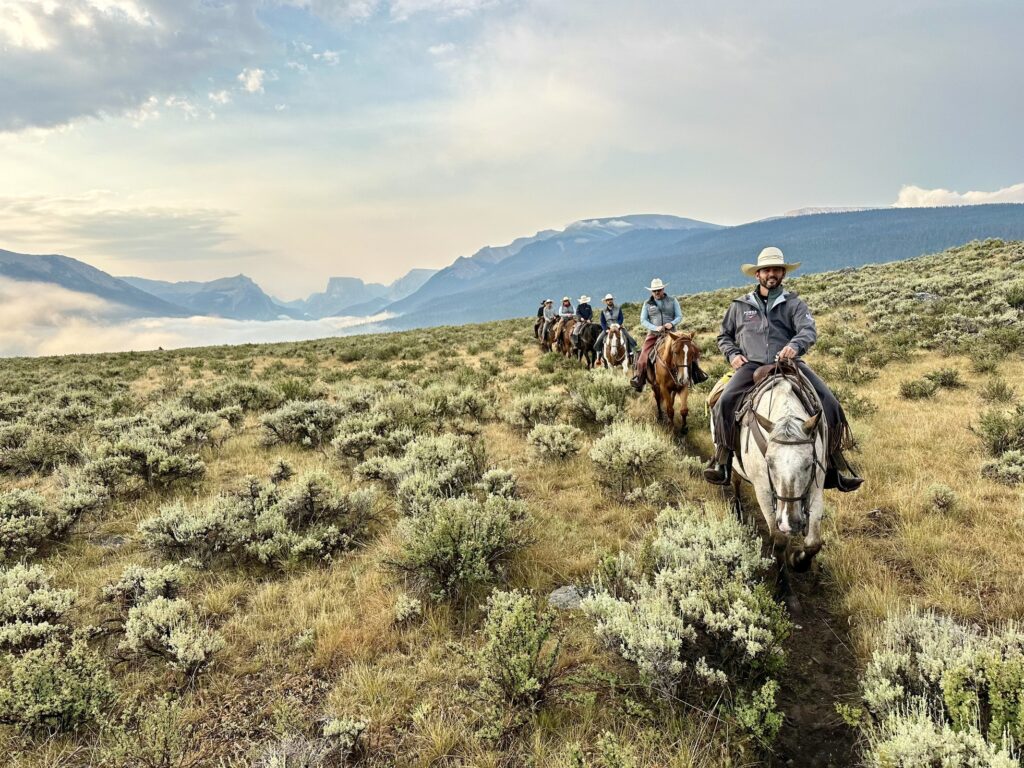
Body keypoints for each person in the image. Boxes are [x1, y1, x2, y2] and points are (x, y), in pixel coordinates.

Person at [703, 246, 863, 491]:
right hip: (752, 364)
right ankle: (723, 459)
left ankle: (834, 462)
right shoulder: (739, 306)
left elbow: (808, 331)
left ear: (783, 274)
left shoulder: (794, 303)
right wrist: (733, 355)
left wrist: (794, 346)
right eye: (766, 270)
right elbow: (724, 336)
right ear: (757, 274)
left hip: (788, 364)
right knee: (725, 402)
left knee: (829, 402)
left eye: (776, 269)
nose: (772, 274)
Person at [630, 278, 682, 392]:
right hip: (654, 334)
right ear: (651, 292)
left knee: (687, 349)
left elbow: (679, 316)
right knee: (643, 356)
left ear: (663, 289)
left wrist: (671, 323)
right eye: (654, 291)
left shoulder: (673, 300)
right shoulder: (647, 304)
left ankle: (695, 375)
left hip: (672, 333)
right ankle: (639, 379)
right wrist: (655, 328)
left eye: (659, 290)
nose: (657, 292)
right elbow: (643, 320)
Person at [594, 293, 636, 359]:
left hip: (618, 327)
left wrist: (618, 325)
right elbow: (602, 322)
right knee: (599, 339)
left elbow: (621, 318)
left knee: (628, 336)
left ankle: (630, 351)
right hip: (608, 328)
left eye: (610, 299)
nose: (609, 301)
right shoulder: (603, 311)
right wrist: (605, 329)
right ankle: (599, 354)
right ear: (606, 302)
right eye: (608, 300)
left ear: (612, 300)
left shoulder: (618, 308)